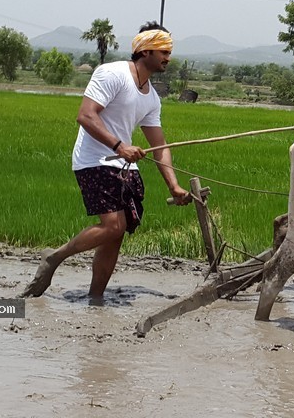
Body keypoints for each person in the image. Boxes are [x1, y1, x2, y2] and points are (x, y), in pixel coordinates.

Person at [21, 21, 191, 303]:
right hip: (94, 159)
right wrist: (120, 145)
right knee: (113, 226)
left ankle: (96, 298)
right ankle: (55, 257)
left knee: (116, 236)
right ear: (145, 50)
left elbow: (159, 146)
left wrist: (174, 186)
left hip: (124, 166)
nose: (168, 57)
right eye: (163, 51)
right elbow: (86, 115)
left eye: (169, 52)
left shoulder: (152, 98)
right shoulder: (112, 74)